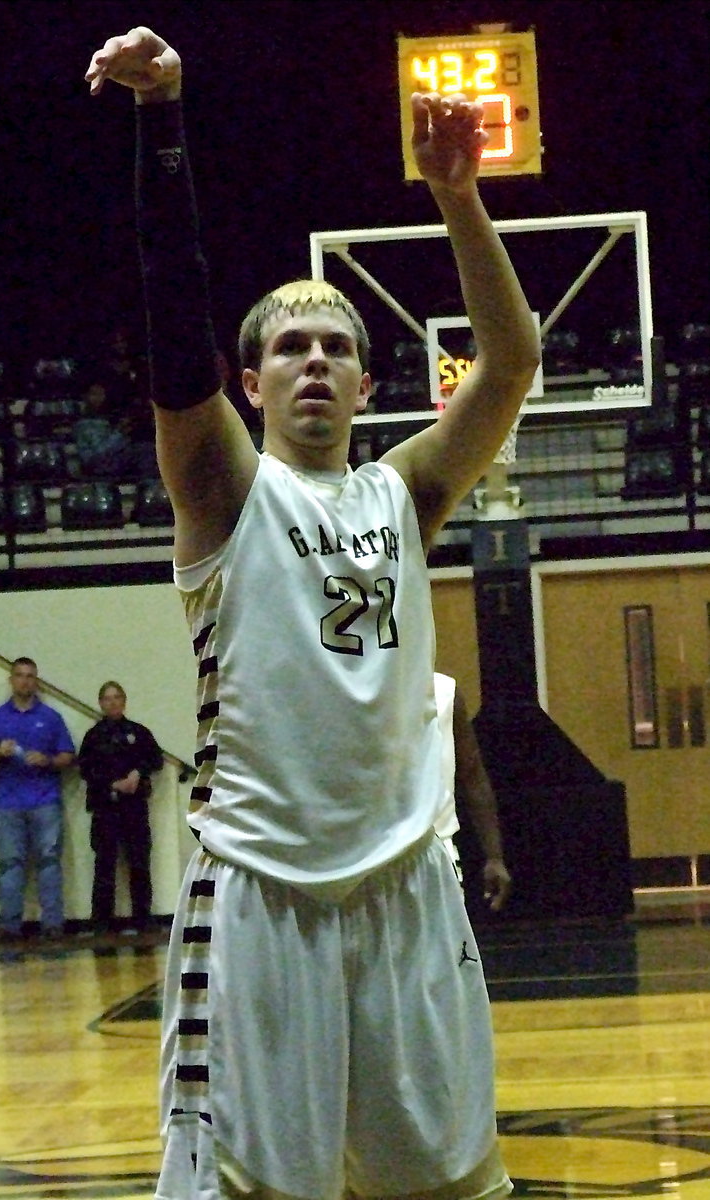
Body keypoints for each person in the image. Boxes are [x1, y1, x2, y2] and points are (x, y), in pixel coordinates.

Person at [85, 25, 539, 1200]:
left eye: (338, 347)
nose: (316, 362)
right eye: (289, 347)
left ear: (369, 381)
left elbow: (509, 362)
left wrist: (457, 200)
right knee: (250, 1184)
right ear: (252, 383)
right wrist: (164, 120)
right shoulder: (228, 490)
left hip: (401, 888)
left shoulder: (407, 492)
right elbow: (174, 331)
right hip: (258, 894)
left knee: (445, 1179)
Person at [0, 657, 76, 943]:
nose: (25, 681)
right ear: (11, 680)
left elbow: (69, 756)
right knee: (10, 864)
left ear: (36, 681)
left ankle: (53, 925)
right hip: (8, 803)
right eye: (19, 675)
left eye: (30, 676)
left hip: (46, 801)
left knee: (49, 862)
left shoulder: (52, 717)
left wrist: (48, 760)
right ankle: (9, 925)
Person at [78, 680, 164, 934]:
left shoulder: (139, 732)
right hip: (105, 808)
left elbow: (155, 759)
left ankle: (143, 919)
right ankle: (102, 922)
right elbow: (85, 769)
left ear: (124, 701)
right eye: (107, 698)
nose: (113, 702)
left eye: (117, 697)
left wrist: (138, 774)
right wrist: (112, 784)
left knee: (139, 863)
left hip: (135, 808)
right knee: (105, 864)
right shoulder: (93, 736)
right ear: (101, 703)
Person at [433, 673, 511, 911]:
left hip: (433, 852)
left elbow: (472, 773)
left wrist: (495, 856)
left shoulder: (444, 691)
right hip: (367, 854)